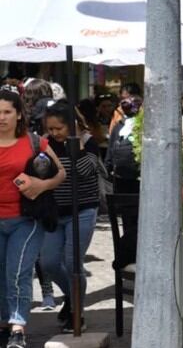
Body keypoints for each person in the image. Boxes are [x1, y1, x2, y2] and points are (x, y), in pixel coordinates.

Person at [0, 88, 66, 348]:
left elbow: (60, 173)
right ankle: (4, 321)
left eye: (7, 112)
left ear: (18, 114)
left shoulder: (34, 142)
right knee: (1, 272)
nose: (2, 117)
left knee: (18, 271)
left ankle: (18, 326)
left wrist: (41, 184)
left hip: (26, 219)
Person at [39, 101, 101, 332]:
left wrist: (74, 144)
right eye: (51, 129)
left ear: (72, 126)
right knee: (49, 262)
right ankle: (71, 297)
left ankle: (77, 312)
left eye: (59, 129)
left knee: (73, 263)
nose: (54, 133)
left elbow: (87, 170)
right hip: (54, 212)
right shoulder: (45, 144)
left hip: (83, 210)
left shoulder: (88, 142)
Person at [105, 95, 143, 193]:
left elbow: (110, 152)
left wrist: (107, 170)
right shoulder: (143, 125)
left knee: (121, 204)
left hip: (119, 176)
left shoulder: (118, 126)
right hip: (139, 177)